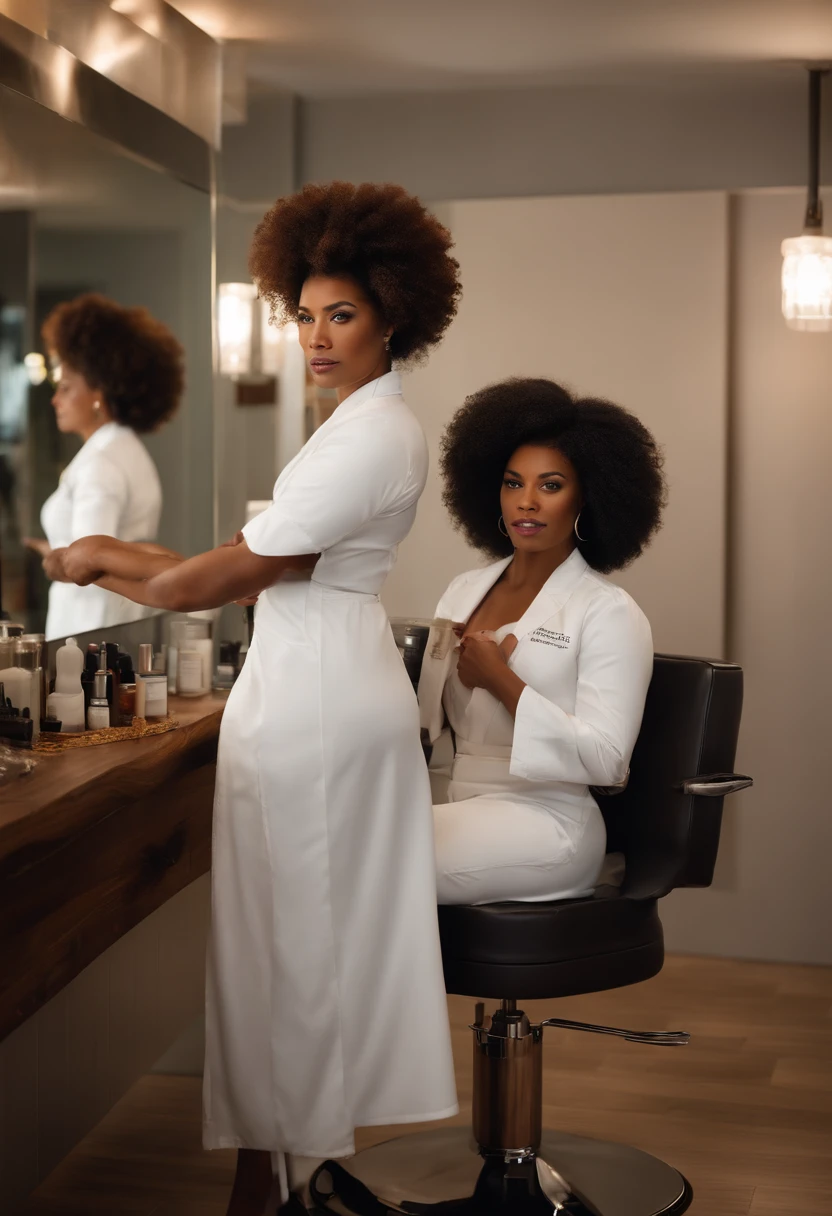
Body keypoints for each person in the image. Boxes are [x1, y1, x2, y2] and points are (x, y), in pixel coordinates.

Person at [61, 182, 462, 1215]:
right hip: (312, 685)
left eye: (342, 316)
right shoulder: (345, 432)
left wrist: (107, 562)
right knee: (281, 953)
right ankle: (277, 1181)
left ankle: (272, 1189)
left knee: (288, 955)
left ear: (392, 319)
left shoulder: (371, 437)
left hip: (317, 708)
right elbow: (243, 558)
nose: (316, 336)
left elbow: (225, 575)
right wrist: (112, 561)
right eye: (305, 313)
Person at [418, 378, 666, 905]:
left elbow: (607, 761)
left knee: (380, 865)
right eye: (513, 483)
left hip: (547, 821)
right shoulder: (463, 592)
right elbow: (426, 725)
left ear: (587, 497)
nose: (526, 502)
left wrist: (502, 680)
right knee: (336, 847)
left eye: (550, 486)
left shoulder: (608, 612)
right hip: (453, 797)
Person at [25, 293, 184, 638]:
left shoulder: (102, 464)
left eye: (66, 388)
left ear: (97, 393)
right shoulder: (122, 448)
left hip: (89, 629)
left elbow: (92, 558)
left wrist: (55, 561)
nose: (55, 399)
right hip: (114, 622)